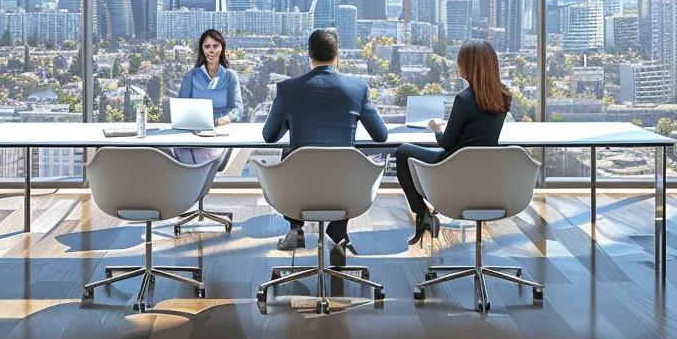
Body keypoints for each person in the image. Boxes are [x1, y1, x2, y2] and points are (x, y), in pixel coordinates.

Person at [261, 28, 388, 264]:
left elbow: (269, 136)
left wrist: (290, 121)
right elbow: (381, 135)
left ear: (309, 55)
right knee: (347, 157)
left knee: (290, 152)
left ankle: (295, 229)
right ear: (337, 55)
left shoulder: (288, 89)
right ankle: (338, 231)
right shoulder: (358, 89)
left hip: (297, 193)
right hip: (345, 193)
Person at [394, 39, 511, 245]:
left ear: (468, 66)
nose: (458, 66)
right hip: (484, 175)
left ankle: (423, 214)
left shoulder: (464, 99)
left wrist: (436, 129)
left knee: (403, 151)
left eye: (460, 62)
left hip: (452, 166)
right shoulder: (504, 96)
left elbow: (447, 143)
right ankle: (424, 217)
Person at [173, 28, 241, 167]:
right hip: (192, 133)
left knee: (204, 158)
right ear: (202, 49)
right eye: (207, 46)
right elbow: (181, 107)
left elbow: (237, 108)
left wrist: (227, 118)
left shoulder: (230, 76)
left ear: (222, 48)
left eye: (215, 46)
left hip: (219, 133)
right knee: (184, 155)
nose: (211, 50)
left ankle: (196, 182)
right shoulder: (191, 76)